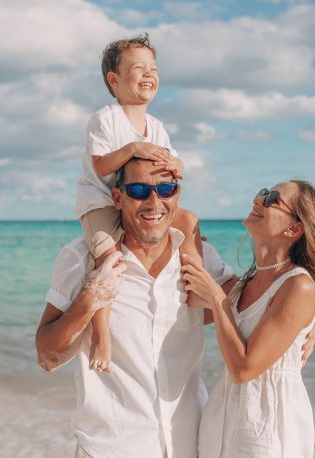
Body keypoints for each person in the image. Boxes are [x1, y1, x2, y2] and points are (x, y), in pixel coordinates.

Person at [37, 158, 234, 457]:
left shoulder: (200, 257)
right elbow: (47, 357)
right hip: (112, 447)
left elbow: (249, 302)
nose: (154, 202)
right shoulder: (80, 259)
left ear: (177, 195)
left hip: (188, 442)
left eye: (165, 189)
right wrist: (90, 298)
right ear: (118, 197)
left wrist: (306, 321)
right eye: (139, 190)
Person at [182, 181, 315, 457]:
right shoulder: (242, 287)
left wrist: (217, 298)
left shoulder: (298, 286)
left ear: (294, 228)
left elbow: (244, 369)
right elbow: (185, 304)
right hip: (220, 424)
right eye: (262, 193)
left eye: (272, 199)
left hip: (266, 431)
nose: (258, 201)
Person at [74, 33, 203, 372]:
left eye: (153, 69)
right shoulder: (105, 119)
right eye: (138, 68)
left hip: (142, 202)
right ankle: (101, 332)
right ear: (114, 80)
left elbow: (174, 162)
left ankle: (194, 287)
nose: (148, 74)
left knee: (189, 220)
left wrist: (177, 164)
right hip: (102, 202)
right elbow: (102, 166)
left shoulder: (156, 126)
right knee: (108, 260)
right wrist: (133, 148)